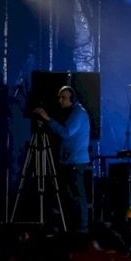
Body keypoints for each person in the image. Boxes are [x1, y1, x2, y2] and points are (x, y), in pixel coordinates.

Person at [33, 85, 91, 233]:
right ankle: (75, 225)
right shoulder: (72, 113)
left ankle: (82, 228)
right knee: (71, 195)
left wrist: (47, 118)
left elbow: (66, 132)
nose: (60, 100)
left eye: (63, 97)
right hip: (71, 161)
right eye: (59, 97)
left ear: (72, 98)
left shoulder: (78, 113)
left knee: (77, 196)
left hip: (75, 162)